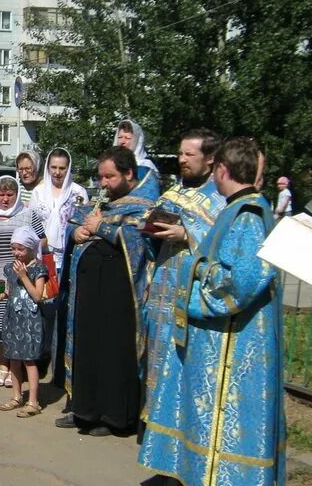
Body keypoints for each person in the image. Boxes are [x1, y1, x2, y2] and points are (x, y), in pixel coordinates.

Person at [141, 137, 284, 486]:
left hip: (235, 343)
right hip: (226, 335)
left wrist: (192, 276)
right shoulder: (240, 209)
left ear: (221, 169)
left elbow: (240, 284)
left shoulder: (248, 214)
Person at [136, 129, 225, 476]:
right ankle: (161, 461)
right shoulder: (174, 191)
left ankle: (184, 465)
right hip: (160, 292)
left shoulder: (218, 200)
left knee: (183, 380)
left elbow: (221, 245)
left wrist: (186, 234)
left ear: (210, 159)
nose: (182, 160)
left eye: (189, 154)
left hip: (191, 301)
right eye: (180, 153)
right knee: (157, 372)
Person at [57, 146, 154, 436]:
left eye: (109, 177)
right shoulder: (103, 202)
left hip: (119, 294)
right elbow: (76, 222)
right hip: (89, 292)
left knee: (113, 351)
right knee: (87, 347)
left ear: (129, 174)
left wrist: (103, 228)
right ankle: (84, 410)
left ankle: (113, 417)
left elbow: (139, 243)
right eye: (100, 177)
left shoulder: (145, 205)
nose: (103, 183)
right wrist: (76, 233)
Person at [0, 175, 47, 387]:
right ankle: (3, 367)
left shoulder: (27, 213)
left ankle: (19, 370)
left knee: (20, 319)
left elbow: (41, 239)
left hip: (23, 272)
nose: (5, 199)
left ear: (17, 194)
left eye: (10, 195)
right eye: (1, 194)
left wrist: (33, 265)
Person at [0, 227, 48, 418]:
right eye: (13, 248)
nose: (16, 253)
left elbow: (37, 296)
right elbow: (11, 292)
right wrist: (0, 294)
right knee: (13, 358)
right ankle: (16, 396)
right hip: (13, 316)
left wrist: (23, 276)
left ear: (30, 248)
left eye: (21, 249)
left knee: (29, 359)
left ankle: (33, 401)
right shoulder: (11, 267)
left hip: (30, 319)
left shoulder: (38, 269)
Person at [30, 148, 87, 273]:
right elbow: (31, 222)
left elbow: (84, 222)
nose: (57, 172)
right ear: (48, 168)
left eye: (62, 168)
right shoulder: (38, 192)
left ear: (68, 168)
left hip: (69, 254)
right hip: (42, 255)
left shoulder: (78, 192)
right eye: (53, 167)